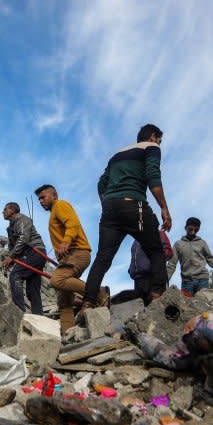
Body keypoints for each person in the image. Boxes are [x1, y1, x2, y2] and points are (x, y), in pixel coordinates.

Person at [82, 123, 172, 314]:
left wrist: (107, 204)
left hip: (110, 210)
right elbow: (153, 176)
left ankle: (88, 304)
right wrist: (164, 207)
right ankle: (156, 296)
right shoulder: (151, 147)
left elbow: (101, 184)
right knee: (156, 250)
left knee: (102, 258)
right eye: (160, 140)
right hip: (135, 206)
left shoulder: (117, 155)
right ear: (153, 136)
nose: (160, 144)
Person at [35, 184, 102, 334]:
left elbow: (73, 223)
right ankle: (69, 336)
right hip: (68, 258)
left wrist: (66, 241)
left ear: (54, 196)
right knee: (64, 303)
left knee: (57, 280)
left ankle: (99, 292)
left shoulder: (60, 205)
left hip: (77, 253)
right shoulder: (53, 213)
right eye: (39, 199)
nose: (41, 201)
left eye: (43, 197)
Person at [166, 217, 213, 296]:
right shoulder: (178, 244)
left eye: (196, 230)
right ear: (185, 228)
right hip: (187, 282)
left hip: (202, 280)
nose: (193, 232)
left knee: (203, 305)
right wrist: (163, 281)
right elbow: (171, 265)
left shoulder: (202, 243)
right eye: (190, 229)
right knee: (187, 305)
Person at [1, 202, 47, 314]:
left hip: (35, 252)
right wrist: (10, 259)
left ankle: (19, 312)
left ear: (13, 210)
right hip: (29, 255)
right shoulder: (10, 228)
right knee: (33, 290)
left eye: (5, 209)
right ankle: (39, 317)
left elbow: (23, 238)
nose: (3, 212)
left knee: (15, 275)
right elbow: (12, 246)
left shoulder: (21, 219)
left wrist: (11, 256)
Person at [129, 230, 173, 300]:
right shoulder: (136, 239)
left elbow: (168, 252)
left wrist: (154, 263)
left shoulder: (159, 234)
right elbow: (134, 258)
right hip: (138, 280)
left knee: (157, 306)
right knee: (142, 308)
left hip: (154, 278)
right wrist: (131, 270)